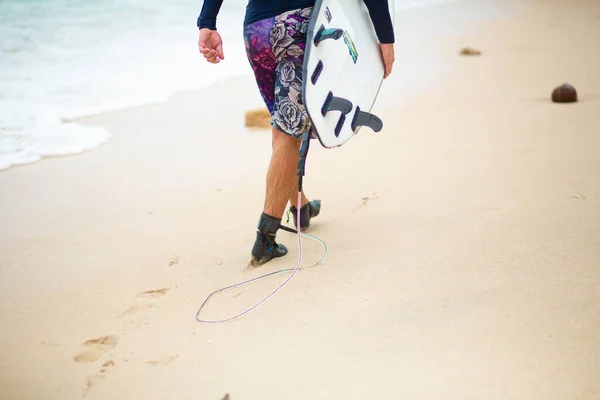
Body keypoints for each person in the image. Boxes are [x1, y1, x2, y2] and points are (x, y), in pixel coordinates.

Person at [197, 1, 395, 266]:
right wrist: (386, 38)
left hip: (257, 32)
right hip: (297, 26)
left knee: (283, 126)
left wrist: (207, 22)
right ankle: (265, 240)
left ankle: (301, 208)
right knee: (288, 133)